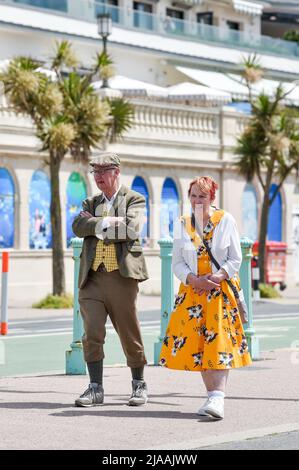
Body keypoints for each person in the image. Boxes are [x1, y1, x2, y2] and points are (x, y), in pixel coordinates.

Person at [159, 176, 252, 420]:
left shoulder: (226, 220)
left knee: (219, 343)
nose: (197, 200)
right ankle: (212, 396)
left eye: (202, 195)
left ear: (212, 197)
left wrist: (218, 276)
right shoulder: (182, 223)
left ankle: (218, 399)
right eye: (193, 195)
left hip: (219, 292)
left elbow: (235, 258)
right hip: (193, 294)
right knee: (200, 346)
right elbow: (177, 262)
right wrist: (193, 280)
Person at [72, 152, 149, 407]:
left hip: (121, 276)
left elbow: (131, 229)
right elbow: (77, 227)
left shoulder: (134, 199)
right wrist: (105, 222)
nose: (98, 177)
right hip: (92, 277)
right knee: (91, 333)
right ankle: (95, 388)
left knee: (129, 331)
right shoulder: (90, 201)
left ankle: (138, 384)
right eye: (95, 172)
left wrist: (94, 225)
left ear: (116, 172)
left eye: (104, 172)